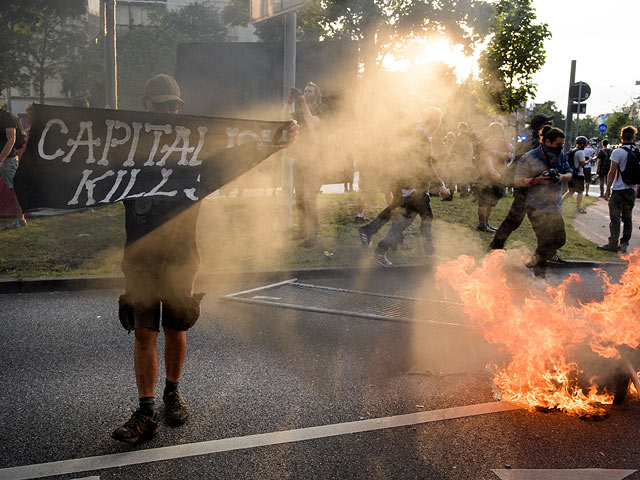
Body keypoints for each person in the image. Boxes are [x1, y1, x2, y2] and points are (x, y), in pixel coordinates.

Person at [112, 74, 297, 444]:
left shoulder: (192, 147)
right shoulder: (127, 145)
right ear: (145, 104)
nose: (169, 110)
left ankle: (172, 393)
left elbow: (231, 158)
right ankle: (146, 412)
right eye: (161, 104)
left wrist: (275, 141)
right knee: (144, 331)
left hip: (182, 255)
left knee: (175, 327)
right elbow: (86, 171)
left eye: (174, 105)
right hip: (141, 258)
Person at [365, 107, 450, 267]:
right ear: (435, 121)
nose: (438, 125)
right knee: (424, 218)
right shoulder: (421, 136)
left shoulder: (417, 133)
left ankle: (379, 248)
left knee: (405, 221)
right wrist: (441, 186)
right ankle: (429, 254)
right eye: (438, 121)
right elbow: (426, 166)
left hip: (411, 187)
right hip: (415, 187)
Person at [514, 126, 572, 280]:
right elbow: (517, 180)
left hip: (554, 206)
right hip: (535, 205)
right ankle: (540, 277)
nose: (560, 148)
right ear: (547, 141)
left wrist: (560, 177)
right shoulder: (530, 158)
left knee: (560, 239)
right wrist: (536, 180)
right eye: (557, 144)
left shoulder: (561, 156)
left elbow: (569, 173)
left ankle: (535, 259)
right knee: (544, 240)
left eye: (561, 145)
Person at [488, 113, 552, 251]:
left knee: (523, 221)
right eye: (547, 123)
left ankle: (495, 246)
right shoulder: (535, 142)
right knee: (523, 220)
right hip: (529, 187)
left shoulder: (531, 140)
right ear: (541, 126)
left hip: (529, 187)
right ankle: (495, 246)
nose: (550, 126)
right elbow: (529, 164)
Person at [282, 81, 327, 247]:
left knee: (310, 198)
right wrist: (288, 103)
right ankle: (302, 231)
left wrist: (301, 101)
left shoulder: (321, 108)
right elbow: (283, 120)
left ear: (316, 95)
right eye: (305, 92)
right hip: (300, 159)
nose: (306, 94)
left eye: (309, 92)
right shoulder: (300, 109)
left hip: (316, 160)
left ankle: (313, 234)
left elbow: (312, 123)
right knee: (300, 198)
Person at [597, 126, 639, 253]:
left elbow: (612, 172)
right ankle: (625, 244)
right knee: (628, 217)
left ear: (621, 137)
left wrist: (607, 189)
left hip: (619, 190)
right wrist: (636, 188)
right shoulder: (637, 151)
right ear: (633, 137)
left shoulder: (618, 152)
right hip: (631, 190)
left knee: (615, 218)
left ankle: (613, 244)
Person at [472, 122, 511, 232]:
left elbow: (509, 156)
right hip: (486, 176)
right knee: (483, 201)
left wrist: (495, 153)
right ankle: (482, 224)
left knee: (490, 202)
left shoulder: (504, 143)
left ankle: (486, 223)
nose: (498, 134)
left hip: (498, 176)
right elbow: (486, 158)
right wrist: (492, 171)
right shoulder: (487, 143)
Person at [0, 104, 27, 229]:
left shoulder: (6, 117)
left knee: (14, 189)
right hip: (5, 159)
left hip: (8, 159)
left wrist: (1, 159)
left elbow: (11, 140)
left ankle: (20, 218)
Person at [562, 136, 589, 214]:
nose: (586, 146)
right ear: (582, 144)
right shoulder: (580, 152)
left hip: (572, 173)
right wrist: (589, 160)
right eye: (585, 144)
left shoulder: (573, 151)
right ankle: (578, 208)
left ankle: (560, 201)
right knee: (580, 192)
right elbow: (583, 164)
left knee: (570, 191)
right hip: (578, 174)